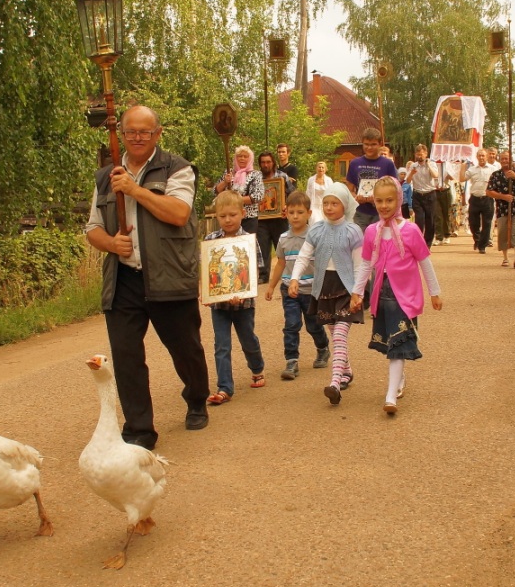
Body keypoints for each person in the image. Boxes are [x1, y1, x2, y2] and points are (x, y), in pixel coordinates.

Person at [85, 105, 211, 450]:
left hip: (169, 276)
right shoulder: (105, 176)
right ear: (122, 134)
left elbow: (179, 213)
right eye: (131, 132)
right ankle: (140, 429)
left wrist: (135, 189)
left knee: (185, 349)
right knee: (126, 356)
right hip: (124, 279)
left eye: (145, 132)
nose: (137, 138)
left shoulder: (177, 168)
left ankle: (197, 397)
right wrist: (111, 243)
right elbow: (92, 228)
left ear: (158, 134)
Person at [350, 177, 442, 414]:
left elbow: (425, 262)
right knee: (391, 343)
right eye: (379, 200)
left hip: (405, 297)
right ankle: (398, 379)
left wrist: (435, 292)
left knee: (398, 343)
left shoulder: (410, 230)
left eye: (389, 200)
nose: (384, 205)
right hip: (382, 295)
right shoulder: (372, 231)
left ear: (399, 200)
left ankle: (390, 396)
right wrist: (358, 291)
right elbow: (366, 264)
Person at [288, 182, 364, 405]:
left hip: (346, 289)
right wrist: (294, 278)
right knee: (335, 335)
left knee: (340, 335)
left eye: (335, 203)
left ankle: (334, 382)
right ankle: (347, 371)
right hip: (324, 289)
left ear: (345, 205)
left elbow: (360, 265)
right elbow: (304, 256)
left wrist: (358, 292)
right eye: (326, 203)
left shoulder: (353, 231)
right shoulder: (316, 230)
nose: (329, 207)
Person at [202, 190, 267, 405]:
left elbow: (255, 271)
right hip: (219, 306)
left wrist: (242, 292)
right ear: (216, 217)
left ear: (242, 213)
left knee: (248, 339)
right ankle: (225, 388)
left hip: (244, 304)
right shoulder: (211, 240)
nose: (227, 220)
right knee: (222, 345)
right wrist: (208, 292)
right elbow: (207, 271)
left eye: (232, 215)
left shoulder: (248, 240)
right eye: (222, 216)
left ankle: (257, 368)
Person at [265, 190, 331, 380]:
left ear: (309, 214)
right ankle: (292, 361)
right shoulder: (284, 238)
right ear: (285, 213)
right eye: (291, 212)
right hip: (289, 290)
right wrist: (271, 286)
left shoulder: (315, 236)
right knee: (291, 324)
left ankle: (322, 347)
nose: (295, 216)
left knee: (313, 325)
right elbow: (280, 263)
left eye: (300, 212)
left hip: (311, 290)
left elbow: (323, 262)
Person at [346, 127, 399, 231]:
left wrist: (377, 199)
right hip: (360, 213)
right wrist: (356, 197)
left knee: (379, 244)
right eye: (366, 144)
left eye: (373, 144)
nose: (369, 147)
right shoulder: (355, 163)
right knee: (360, 244)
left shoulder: (388, 164)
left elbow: (395, 190)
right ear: (362, 143)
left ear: (380, 144)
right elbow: (349, 190)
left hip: (381, 213)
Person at [256, 150, 295, 283]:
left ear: (273, 163)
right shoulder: (256, 178)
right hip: (261, 219)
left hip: (280, 217)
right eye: (263, 162)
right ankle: (263, 275)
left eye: (268, 162)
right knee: (262, 246)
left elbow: (293, 194)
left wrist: (287, 207)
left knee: (283, 244)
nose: (266, 165)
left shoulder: (282, 176)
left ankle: (287, 272)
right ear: (260, 164)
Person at [486, 150, 515, 269]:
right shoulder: (495, 175)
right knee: (502, 232)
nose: (504, 161)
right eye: (502, 159)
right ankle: (505, 257)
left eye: (506, 158)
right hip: (502, 208)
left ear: (510, 159)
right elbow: (489, 191)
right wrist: (503, 197)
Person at [213, 145, 264, 233]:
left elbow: (257, 196)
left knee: (246, 244)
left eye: (245, 156)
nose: (242, 159)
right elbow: (215, 191)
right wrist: (225, 182)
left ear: (250, 158)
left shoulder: (256, 174)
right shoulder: (229, 172)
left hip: (248, 218)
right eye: (239, 156)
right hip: (229, 217)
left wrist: (235, 200)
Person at [458, 149, 495, 254]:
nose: (482, 158)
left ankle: (482, 245)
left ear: (486, 156)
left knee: (487, 223)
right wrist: (462, 167)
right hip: (475, 198)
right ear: (477, 157)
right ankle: (477, 240)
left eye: (483, 156)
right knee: (473, 223)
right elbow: (462, 179)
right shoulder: (472, 169)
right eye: (479, 156)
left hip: (487, 198)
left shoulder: (492, 169)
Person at [405, 143, 439, 247]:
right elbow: (407, 180)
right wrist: (411, 173)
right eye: (418, 154)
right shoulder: (413, 166)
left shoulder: (431, 164)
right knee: (419, 219)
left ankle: (427, 243)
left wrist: (428, 165)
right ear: (415, 154)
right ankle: (419, 242)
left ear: (426, 154)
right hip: (418, 195)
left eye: (422, 154)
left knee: (430, 220)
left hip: (430, 194)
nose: (420, 156)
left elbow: (436, 175)